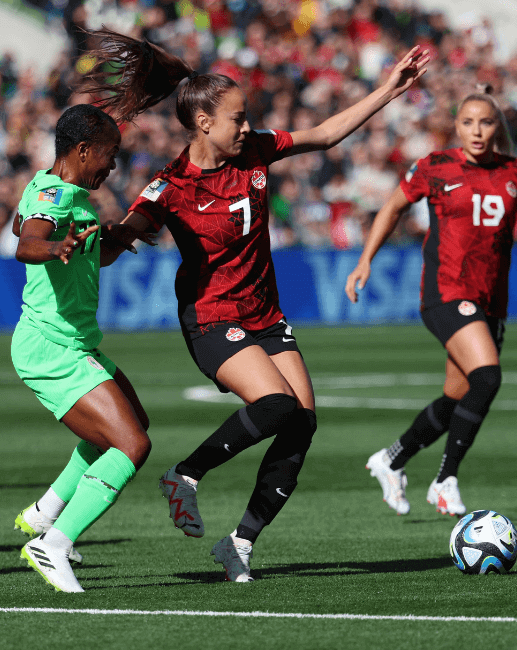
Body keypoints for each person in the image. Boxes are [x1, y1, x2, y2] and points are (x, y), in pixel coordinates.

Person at [81, 29, 430, 582]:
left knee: (303, 422)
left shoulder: (257, 150)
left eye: (247, 118)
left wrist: (390, 89)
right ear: (204, 124)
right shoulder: (169, 187)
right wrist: (95, 238)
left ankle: (239, 543)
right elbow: (118, 242)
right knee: (275, 405)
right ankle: (186, 474)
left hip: (265, 315)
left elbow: (325, 134)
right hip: (212, 319)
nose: (248, 126)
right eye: (238, 119)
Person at [343, 89, 517, 517]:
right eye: (468, 122)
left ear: (498, 127)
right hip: (445, 292)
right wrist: (365, 260)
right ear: (456, 127)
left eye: (486, 122)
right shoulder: (436, 167)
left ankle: (392, 458)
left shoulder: (516, 171)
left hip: (490, 300)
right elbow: (392, 207)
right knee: (488, 377)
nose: (477, 131)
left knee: (457, 396)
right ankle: (445, 479)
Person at [9, 103, 153, 593]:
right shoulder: (56, 193)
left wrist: (117, 235)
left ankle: (45, 513)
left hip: (70, 342)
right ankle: (52, 545)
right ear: (83, 149)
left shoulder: (46, 186)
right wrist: (54, 247)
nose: (110, 167)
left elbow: (23, 224)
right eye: (107, 157)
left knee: (132, 424)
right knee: (132, 445)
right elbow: (26, 242)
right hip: (52, 347)